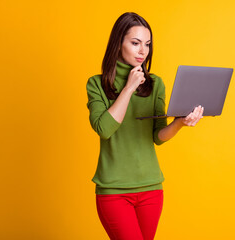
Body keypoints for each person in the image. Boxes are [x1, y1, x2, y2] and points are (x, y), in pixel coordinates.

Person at [86, 12, 204, 240]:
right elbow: (104, 129)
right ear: (118, 43)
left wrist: (179, 123)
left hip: (151, 189)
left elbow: (158, 136)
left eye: (147, 44)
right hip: (114, 191)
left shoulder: (156, 84)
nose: (143, 51)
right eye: (135, 43)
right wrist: (129, 88)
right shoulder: (96, 84)